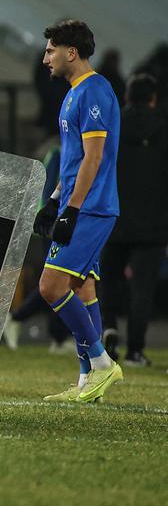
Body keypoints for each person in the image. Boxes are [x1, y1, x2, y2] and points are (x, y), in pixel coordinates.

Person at [33, 19, 123, 403]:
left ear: (72, 53)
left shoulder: (95, 91)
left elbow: (95, 157)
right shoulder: (73, 93)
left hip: (92, 207)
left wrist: (70, 209)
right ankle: (88, 380)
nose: (45, 58)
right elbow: (72, 162)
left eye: (51, 50)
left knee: (50, 286)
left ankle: (103, 362)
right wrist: (54, 200)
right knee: (82, 287)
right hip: (79, 203)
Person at [97, 74, 167, 367]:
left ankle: (109, 330)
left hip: (113, 216)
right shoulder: (164, 126)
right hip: (153, 223)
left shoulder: (112, 124)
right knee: (143, 290)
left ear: (126, 97)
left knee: (107, 281)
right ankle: (135, 351)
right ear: (153, 98)